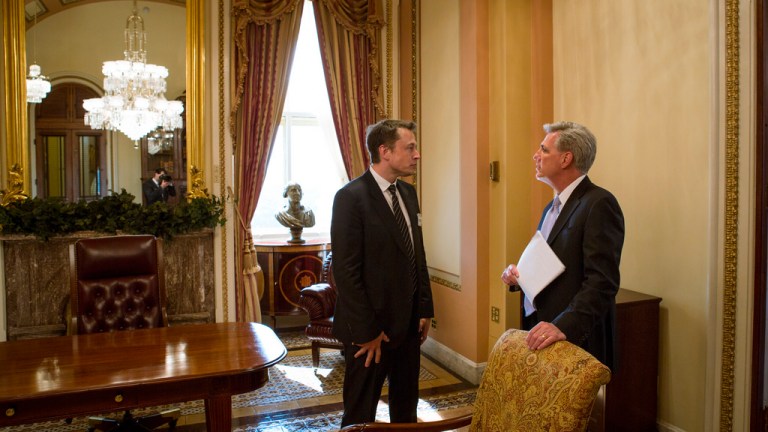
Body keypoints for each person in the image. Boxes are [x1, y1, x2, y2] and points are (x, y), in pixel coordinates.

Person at [331, 119, 434, 426]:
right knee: (360, 416)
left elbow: (418, 255)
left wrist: (425, 308)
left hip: (408, 329)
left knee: (406, 411)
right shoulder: (350, 197)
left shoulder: (409, 193)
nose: (417, 155)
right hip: (369, 334)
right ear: (385, 152)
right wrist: (368, 333)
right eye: (410, 147)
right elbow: (346, 272)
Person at [500, 121, 624, 371]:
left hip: (573, 337)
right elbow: (552, 263)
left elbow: (602, 282)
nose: (536, 155)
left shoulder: (599, 203)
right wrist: (519, 275)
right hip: (540, 328)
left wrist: (563, 325)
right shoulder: (551, 207)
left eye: (544, 150)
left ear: (566, 158)